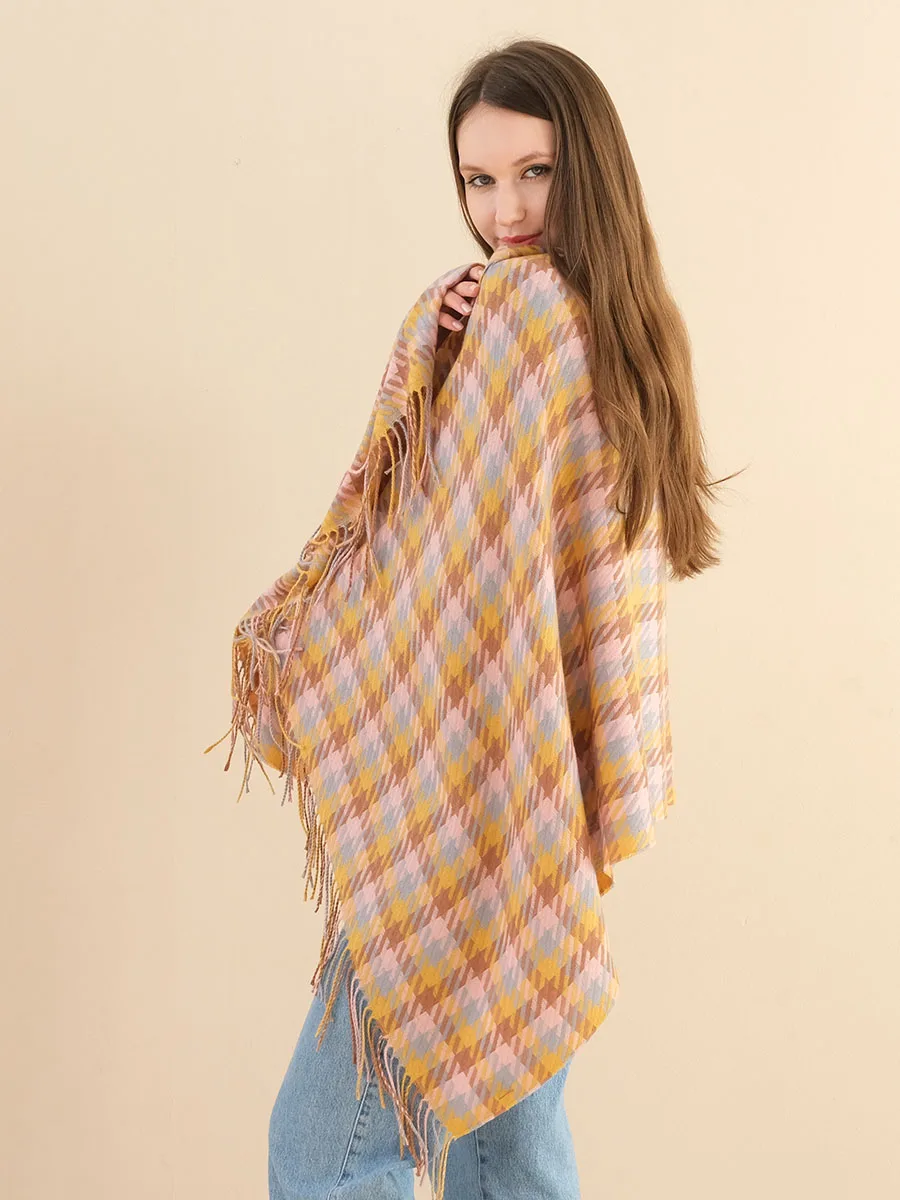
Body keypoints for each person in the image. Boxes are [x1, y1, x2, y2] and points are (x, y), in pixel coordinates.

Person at [256, 35, 741, 1200]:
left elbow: (428, 558)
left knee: (323, 1154)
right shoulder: (627, 328)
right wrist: (439, 334)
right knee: (508, 1157)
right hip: (537, 814)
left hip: (461, 801)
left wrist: (433, 340)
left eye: (535, 173)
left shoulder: (522, 317)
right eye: (479, 181)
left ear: (590, 170)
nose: (506, 212)